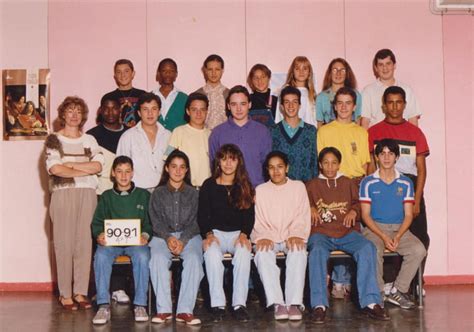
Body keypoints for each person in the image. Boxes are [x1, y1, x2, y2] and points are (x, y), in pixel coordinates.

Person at [306, 147, 389, 324]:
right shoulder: (311, 185)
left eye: (334, 163)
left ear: (339, 165)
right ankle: (319, 305)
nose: (330, 167)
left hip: (346, 233)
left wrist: (353, 211)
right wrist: (309, 207)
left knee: (367, 247)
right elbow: (300, 205)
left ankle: (371, 301)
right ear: (320, 165)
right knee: (317, 252)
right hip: (321, 233)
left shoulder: (348, 183)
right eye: (326, 163)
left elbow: (359, 204)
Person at [368, 86, 430, 289]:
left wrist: (417, 198)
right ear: (384, 106)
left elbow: (421, 169)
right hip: (382, 186)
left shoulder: (416, 133)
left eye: (399, 102)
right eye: (390, 102)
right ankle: (387, 283)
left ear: (404, 104)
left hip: (409, 187)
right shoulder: (374, 131)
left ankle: (414, 284)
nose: (395, 107)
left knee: (419, 238)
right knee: (382, 235)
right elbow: (370, 166)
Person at [45, 96, 104, 310]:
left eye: (78, 111)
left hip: (87, 193)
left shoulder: (89, 140)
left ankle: (80, 292)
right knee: (64, 244)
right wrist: (81, 166)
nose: (74, 115)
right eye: (70, 111)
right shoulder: (54, 139)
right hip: (63, 194)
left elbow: (98, 166)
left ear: (83, 116)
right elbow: (55, 169)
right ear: (63, 114)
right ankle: (65, 294)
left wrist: (69, 164)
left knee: (83, 243)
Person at [316, 86, 371, 298]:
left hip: (355, 183)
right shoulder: (324, 131)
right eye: (340, 103)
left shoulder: (361, 132)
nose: (344, 107)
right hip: (333, 184)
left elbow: (366, 164)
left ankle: (346, 279)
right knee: (335, 228)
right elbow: (321, 162)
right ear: (334, 106)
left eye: (348, 103)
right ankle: (338, 281)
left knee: (353, 230)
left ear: (355, 106)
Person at [361, 139, 426, 310]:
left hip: (400, 229)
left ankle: (398, 290)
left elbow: (409, 214)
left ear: (397, 157)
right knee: (372, 249)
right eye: (382, 153)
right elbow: (365, 215)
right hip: (375, 229)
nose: (386, 157)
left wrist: (397, 236)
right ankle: (380, 293)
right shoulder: (367, 182)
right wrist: (383, 236)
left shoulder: (405, 182)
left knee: (419, 249)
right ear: (376, 157)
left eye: (391, 153)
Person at [198, 144, 255, 322]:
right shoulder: (209, 185)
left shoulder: (244, 185)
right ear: (218, 162)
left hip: (238, 233)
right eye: (224, 159)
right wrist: (208, 234)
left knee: (244, 253)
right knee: (212, 254)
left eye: (232, 159)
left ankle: (239, 304)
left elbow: (249, 214)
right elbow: (202, 214)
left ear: (239, 162)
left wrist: (245, 234)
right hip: (215, 233)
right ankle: (218, 304)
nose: (228, 163)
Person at [91, 156, 152, 324]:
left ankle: (140, 304)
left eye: (127, 172)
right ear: (113, 173)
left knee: (143, 256)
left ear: (132, 173)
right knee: (101, 256)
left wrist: (145, 235)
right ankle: (103, 305)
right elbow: (97, 223)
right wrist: (100, 235)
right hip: (112, 244)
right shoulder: (106, 196)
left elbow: (150, 223)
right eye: (119, 171)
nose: (123, 176)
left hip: (135, 243)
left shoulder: (143, 195)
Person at [251, 151, 310, 321]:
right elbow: (257, 218)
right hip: (268, 236)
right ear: (267, 170)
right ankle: (278, 303)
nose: (276, 172)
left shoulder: (298, 186)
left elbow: (302, 214)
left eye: (280, 167)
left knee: (298, 251)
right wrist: (263, 236)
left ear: (287, 168)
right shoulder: (261, 190)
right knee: (262, 254)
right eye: (271, 168)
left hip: (291, 235)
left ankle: (293, 303)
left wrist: (296, 234)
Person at [148, 150, 203, 326]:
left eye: (182, 167)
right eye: (173, 166)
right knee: (156, 258)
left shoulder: (194, 193)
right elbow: (154, 221)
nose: (178, 171)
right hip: (162, 235)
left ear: (187, 170)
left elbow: (197, 221)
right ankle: (163, 309)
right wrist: (168, 237)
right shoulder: (158, 193)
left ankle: (185, 310)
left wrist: (183, 240)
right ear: (167, 168)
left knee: (194, 258)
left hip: (190, 235)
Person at [209, 85, 272, 187]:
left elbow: (267, 165)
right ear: (228, 106)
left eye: (243, 104)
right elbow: (214, 166)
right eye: (234, 104)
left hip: (256, 191)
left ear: (249, 104)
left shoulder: (263, 132)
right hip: (227, 191)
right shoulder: (217, 133)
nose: (238, 109)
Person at [117, 93, 171, 191]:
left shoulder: (168, 136)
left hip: (163, 191)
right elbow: (120, 167)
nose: (150, 113)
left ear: (159, 112)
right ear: (139, 113)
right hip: (137, 191)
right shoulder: (128, 136)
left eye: (154, 109)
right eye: (145, 109)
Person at [361, 49, 421, 128]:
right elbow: (364, 123)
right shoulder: (367, 91)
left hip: (402, 138)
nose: (385, 68)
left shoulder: (407, 90)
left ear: (394, 65)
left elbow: (413, 121)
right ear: (376, 68)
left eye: (388, 63)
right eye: (381, 65)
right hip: (378, 138)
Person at [271, 86, 318, 182]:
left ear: (300, 105)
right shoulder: (272, 131)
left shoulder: (311, 131)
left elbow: (314, 164)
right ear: (282, 106)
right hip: (281, 188)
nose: (291, 106)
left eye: (295, 102)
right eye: (287, 102)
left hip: (306, 188)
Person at [165, 92, 211, 187]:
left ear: (207, 111)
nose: (198, 113)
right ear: (188, 111)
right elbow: (168, 160)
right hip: (185, 188)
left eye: (202, 109)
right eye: (194, 110)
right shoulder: (178, 132)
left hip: (206, 188)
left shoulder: (211, 135)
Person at [87, 98, 128, 195]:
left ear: (120, 110)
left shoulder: (129, 134)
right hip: (100, 192)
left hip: (125, 191)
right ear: (100, 110)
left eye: (114, 108)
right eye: (106, 109)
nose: (110, 112)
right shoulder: (91, 135)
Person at [316, 58, 362, 127]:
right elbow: (319, 124)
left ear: (347, 73)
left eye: (342, 70)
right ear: (330, 73)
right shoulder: (321, 97)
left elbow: (358, 121)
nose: (338, 73)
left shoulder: (356, 95)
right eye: (335, 70)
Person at [101, 59, 147, 128]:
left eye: (126, 71)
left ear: (133, 73)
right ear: (115, 76)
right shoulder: (108, 98)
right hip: (116, 136)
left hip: (139, 136)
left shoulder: (143, 95)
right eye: (119, 72)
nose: (123, 75)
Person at [275, 56, 317, 126]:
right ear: (292, 72)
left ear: (309, 72)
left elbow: (313, 119)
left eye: (305, 68)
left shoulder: (312, 94)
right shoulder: (285, 91)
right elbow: (279, 116)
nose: (301, 72)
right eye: (297, 69)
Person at [151, 58, 188, 131]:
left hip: (178, 141)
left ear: (176, 74)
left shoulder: (185, 98)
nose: (168, 73)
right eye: (164, 71)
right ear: (158, 73)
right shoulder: (150, 97)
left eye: (171, 71)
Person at [194, 54, 229, 130]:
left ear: (222, 71)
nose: (214, 73)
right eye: (210, 69)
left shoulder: (230, 94)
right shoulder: (197, 95)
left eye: (217, 69)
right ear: (205, 71)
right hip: (202, 137)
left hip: (225, 138)